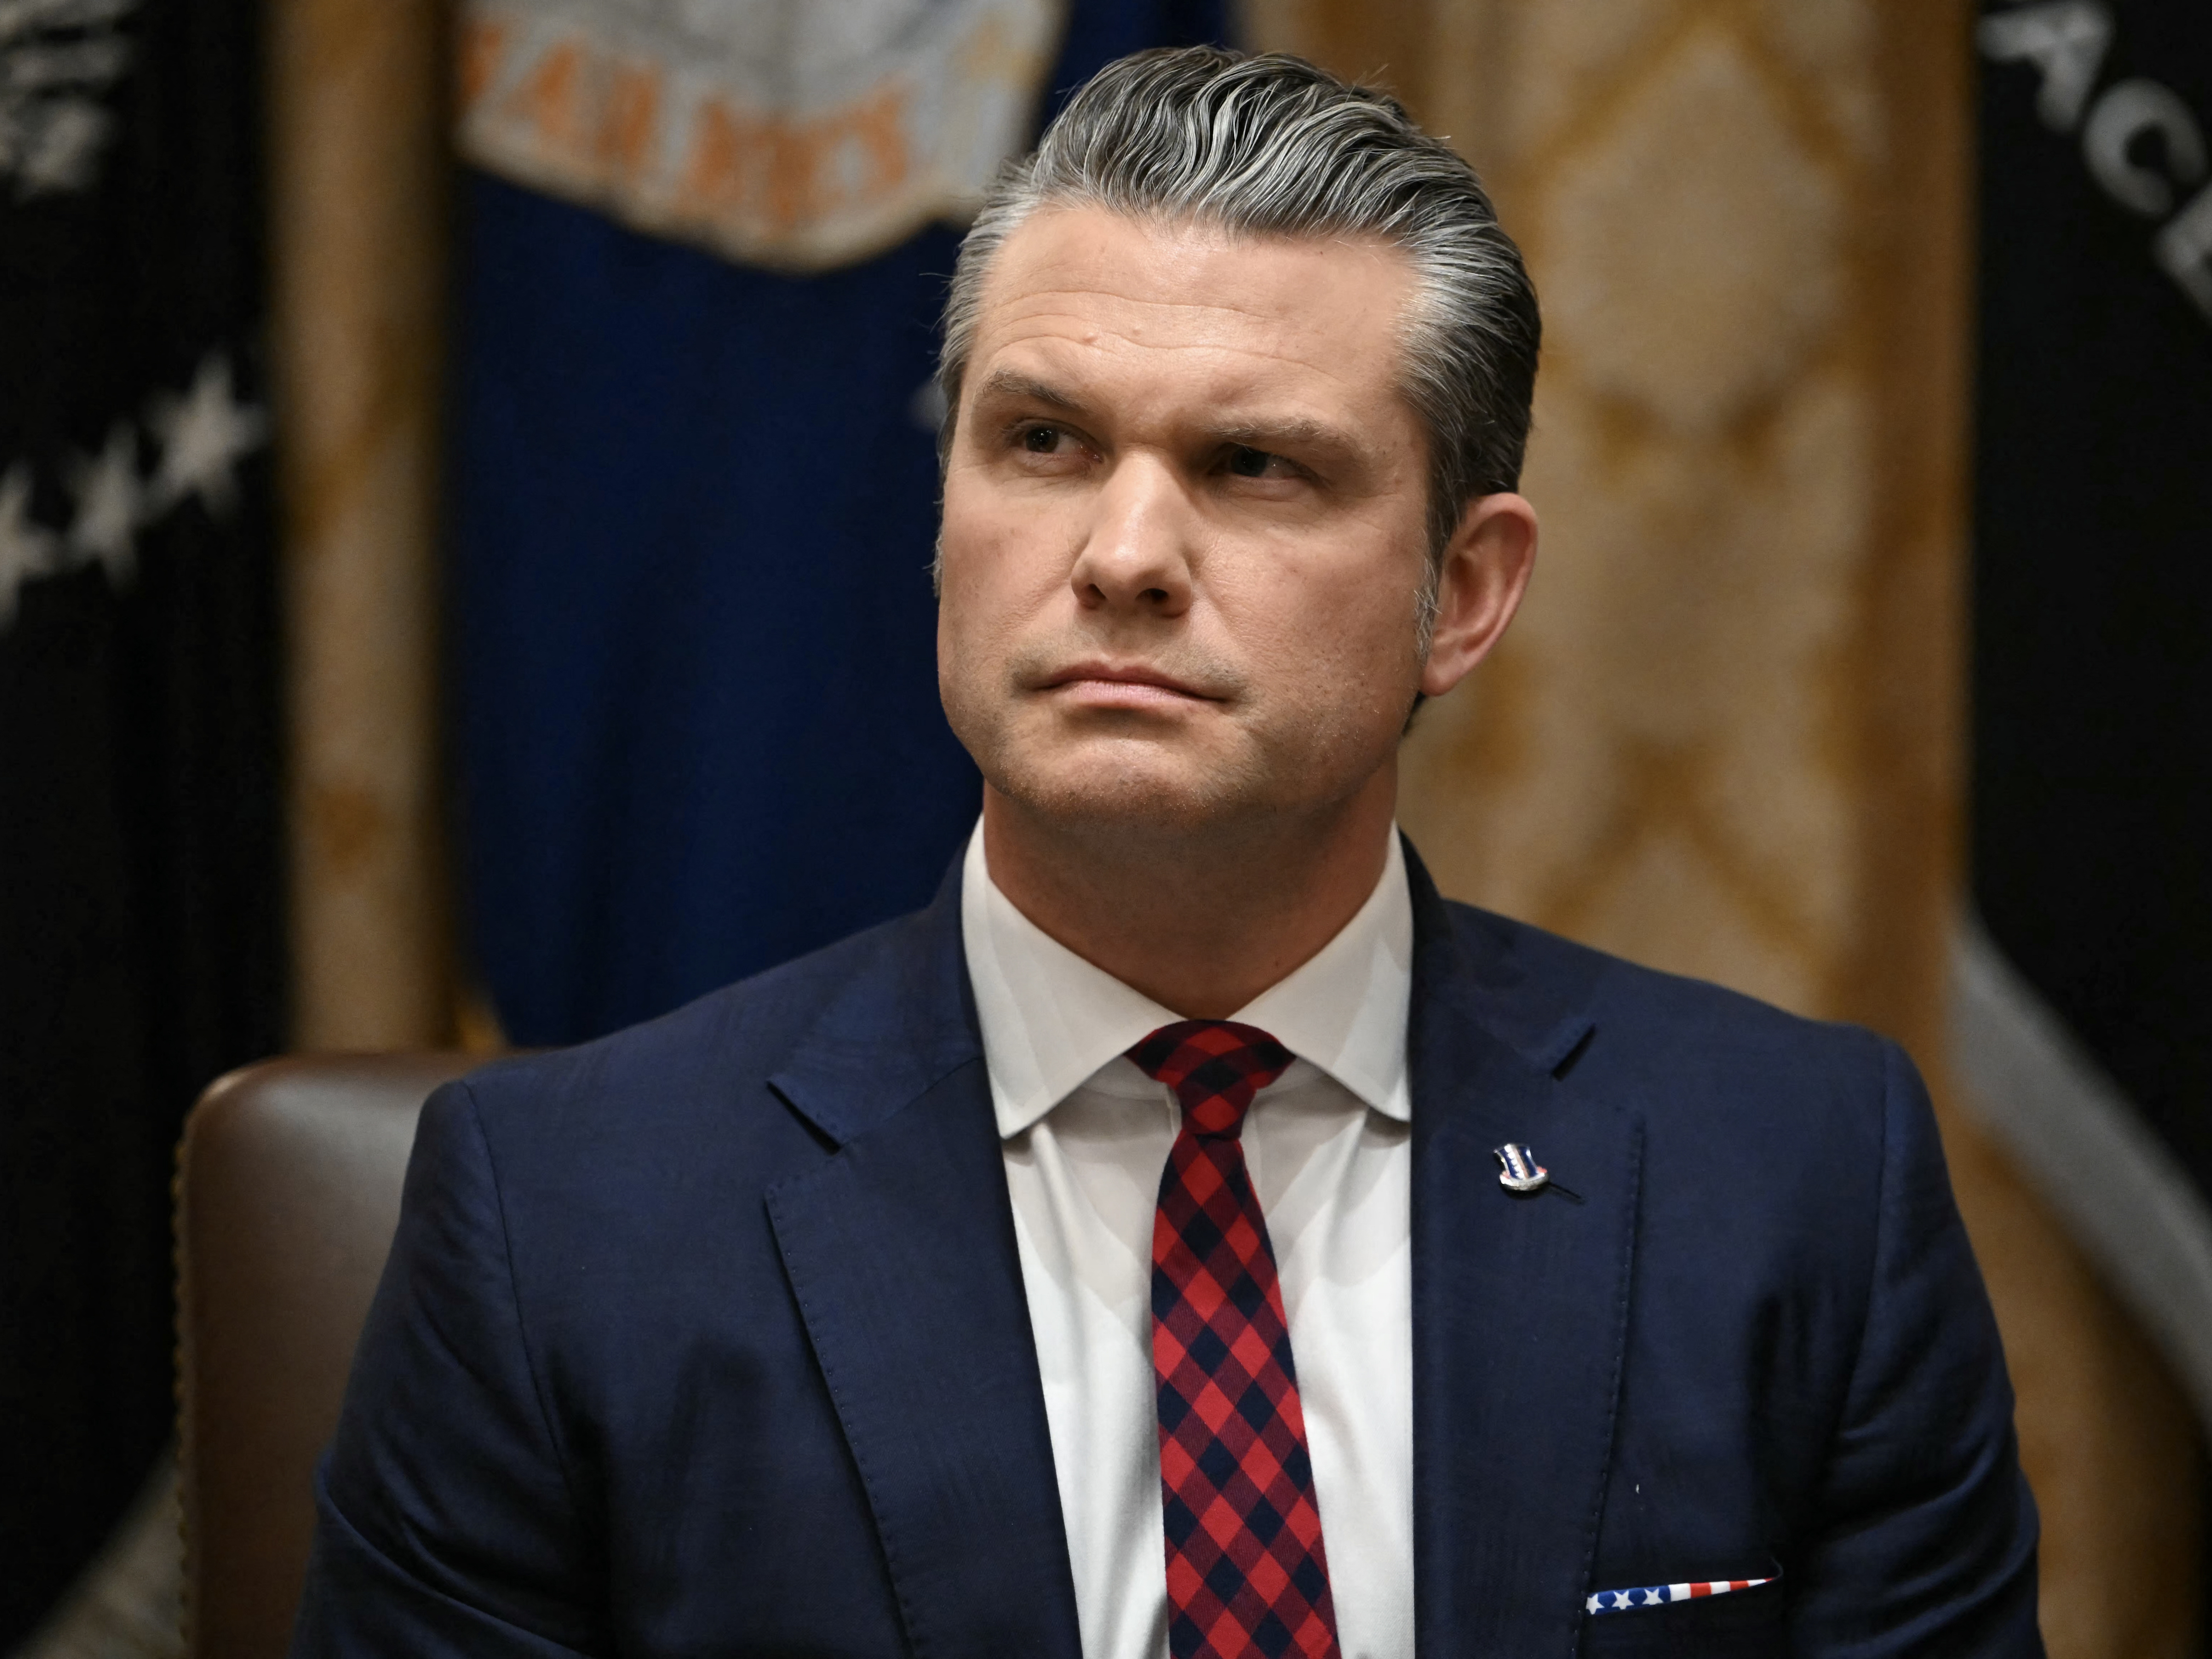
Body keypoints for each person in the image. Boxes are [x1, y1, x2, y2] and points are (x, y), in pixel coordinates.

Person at [292, 46, 2041, 1659]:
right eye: (1042, 442)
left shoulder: (1800, 1186)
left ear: (1468, 590)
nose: (1123, 552)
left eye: (1257, 465)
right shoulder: (564, 1224)